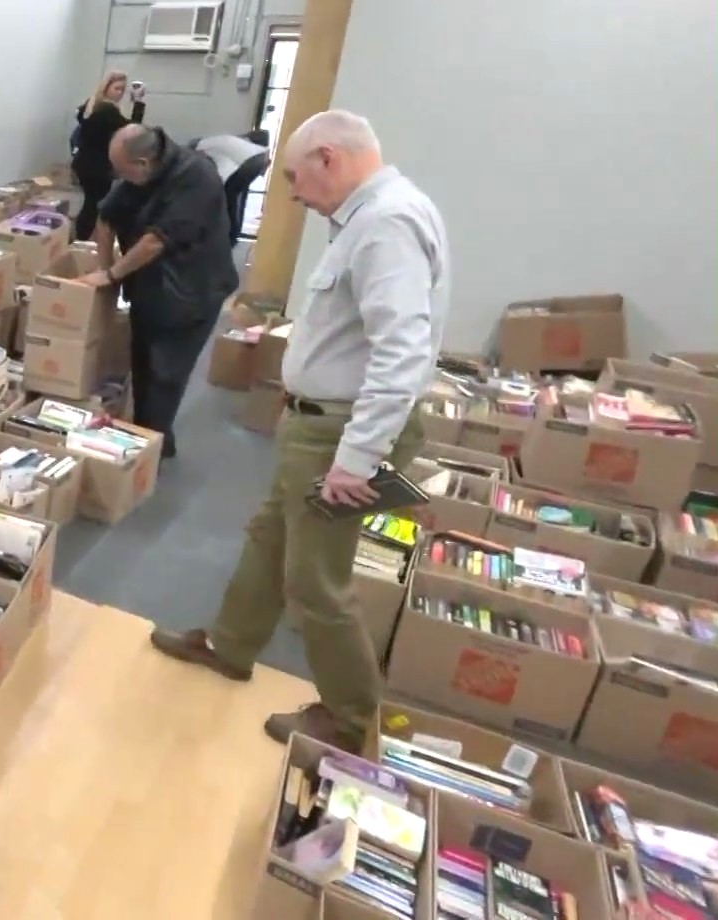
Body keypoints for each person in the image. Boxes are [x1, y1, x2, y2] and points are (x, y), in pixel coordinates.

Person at [147, 110, 451, 752]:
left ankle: (348, 719)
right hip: (325, 425)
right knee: (270, 535)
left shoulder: (384, 224)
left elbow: (401, 350)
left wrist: (358, 458)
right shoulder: (381, 213)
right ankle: (231, 644)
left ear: (330, 159)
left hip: (342, 435)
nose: (290, 190)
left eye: (295, 175)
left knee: (316, 580)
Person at [81, 125, 237, 458]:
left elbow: (155, 241)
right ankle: (150, 438)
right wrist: (105, 270)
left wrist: (112, 274)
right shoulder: (139, 175)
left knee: (166, 371)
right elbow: (105, 218)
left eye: (122, 170)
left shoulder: (197, 177)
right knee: (142, 364)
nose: (119, 177)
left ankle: (148, 451)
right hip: (150, 286)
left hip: (193, 290)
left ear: (143, 162)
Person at [68, 71, 146, 240]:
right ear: (106, 88)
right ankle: (81, 240)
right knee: (94, 205)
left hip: (84, 163)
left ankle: (81, 238)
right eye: (117, 88)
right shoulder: (108, 110)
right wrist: (138, 102)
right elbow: (133, 131)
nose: (120, 93)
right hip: (97, 166)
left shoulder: (91, 105)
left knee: (91, 202)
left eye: (123, 90)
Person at [195, 130, 272, 245]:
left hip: (252, 160)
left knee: (229, 198)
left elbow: (219, 175)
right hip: (257, 158)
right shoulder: (222, 143)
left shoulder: (202, 148)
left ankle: (230, 237)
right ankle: (232, 237)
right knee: (234, 198)